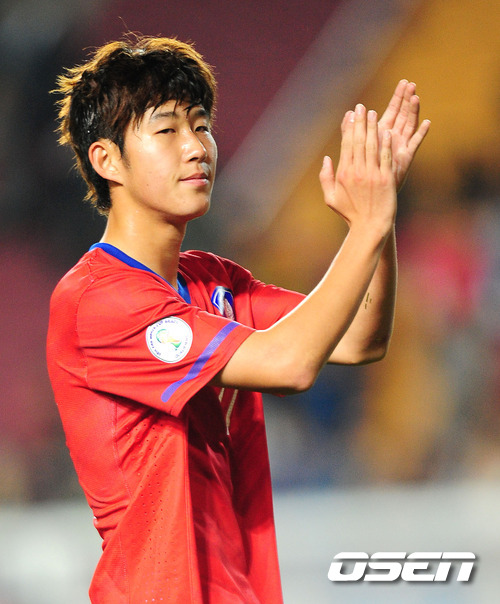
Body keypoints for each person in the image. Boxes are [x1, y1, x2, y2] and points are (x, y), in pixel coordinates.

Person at [46, 35, 429, 603]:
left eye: (201, 126)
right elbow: (290, 364)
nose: (196, 147)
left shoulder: (212, 280)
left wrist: (378, 220)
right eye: (167, 130)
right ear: (107, 160)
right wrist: (366, 227)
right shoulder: (98, 299)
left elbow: (358, 340)